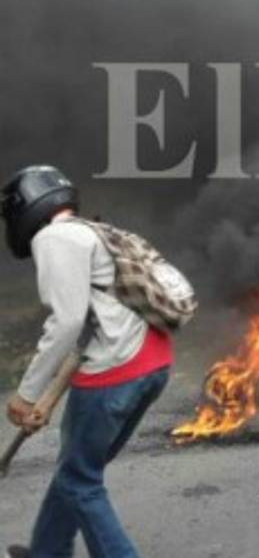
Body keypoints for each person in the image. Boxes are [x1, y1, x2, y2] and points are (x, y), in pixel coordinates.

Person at [3, 166, 173, 558]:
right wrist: (47, 399)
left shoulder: (53, 238)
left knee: (80, 482)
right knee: (75, 470)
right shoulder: (95, 231)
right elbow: (91, 329)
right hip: (153, 364)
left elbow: (67, 323)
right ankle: (47, 551)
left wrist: (27, 394)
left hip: (116, 374)